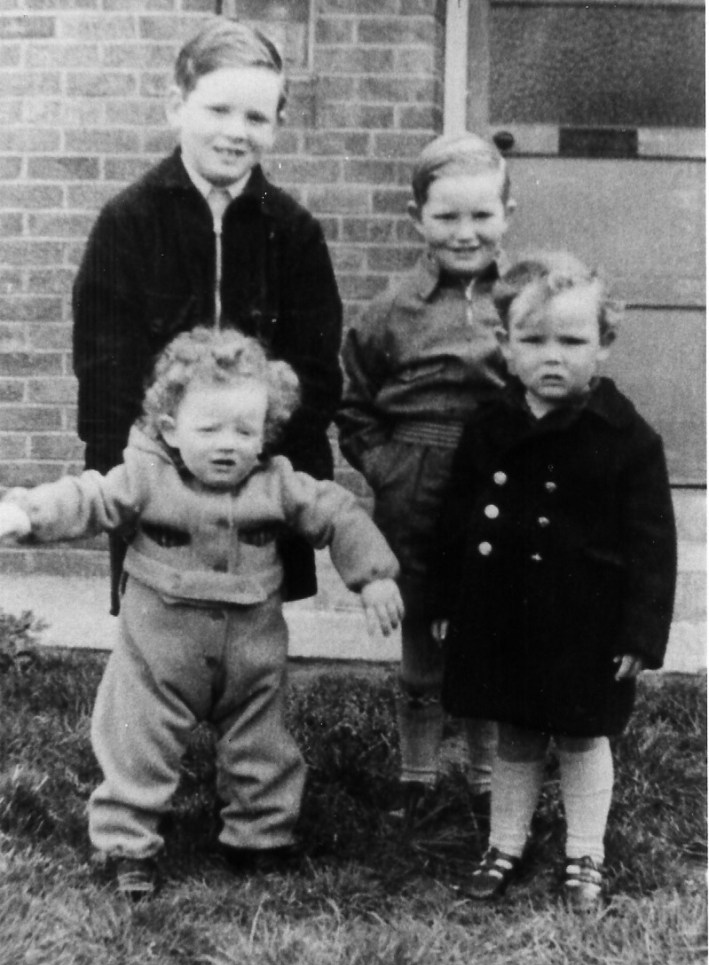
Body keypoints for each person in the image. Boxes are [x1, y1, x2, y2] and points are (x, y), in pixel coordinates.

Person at [0, 328, 403, 899]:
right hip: (159, 656)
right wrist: (28, 513)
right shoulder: (145, 477)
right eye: (209, 429)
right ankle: (127, 845)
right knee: (136, 741)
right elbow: (89, 497)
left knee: (262, 745)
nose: (227, 445)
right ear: (170, 428)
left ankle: (260, 836)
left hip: (251, 657)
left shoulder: (277, 484)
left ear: (265, 433)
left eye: (245, 430)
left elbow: (337, 512)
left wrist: (374, 575)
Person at [428, 252, 677, 908]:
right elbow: (455, 520)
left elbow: (653, 546)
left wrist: (640, 633)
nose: (552, 357)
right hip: (502, 612)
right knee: (514, 730)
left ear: (603, 345)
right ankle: (504, 844)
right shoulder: (490, 426)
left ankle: (584, 854)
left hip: (585, 622)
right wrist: (446, 599)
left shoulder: (627, 439)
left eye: (571, 341)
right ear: (505, 346)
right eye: (533, 340)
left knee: (580, 733)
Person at [72, 17, 342, 614]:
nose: (236, 132)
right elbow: (103, 374)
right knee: (156, 642)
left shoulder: (293, 231)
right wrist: (129, 480)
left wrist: (275, 474)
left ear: (277, 124)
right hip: (155, 486)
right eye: (218, 110)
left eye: (256, 117)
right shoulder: (128, 223)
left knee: (251, 640)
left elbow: (316, 373)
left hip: (259, 485)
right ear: (177, 106)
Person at [337, 133, 516, 824]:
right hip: (415, 486)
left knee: (488, 632)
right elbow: (355, 405)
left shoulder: (522, 300)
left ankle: (486, 776)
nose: (465, 233)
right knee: (422, 643)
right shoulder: (392, 310)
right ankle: (416, 775)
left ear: (507, 214)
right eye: (446, 217)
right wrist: (388, 468)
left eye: (481, 215)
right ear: (417, 219)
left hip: (494, 484)